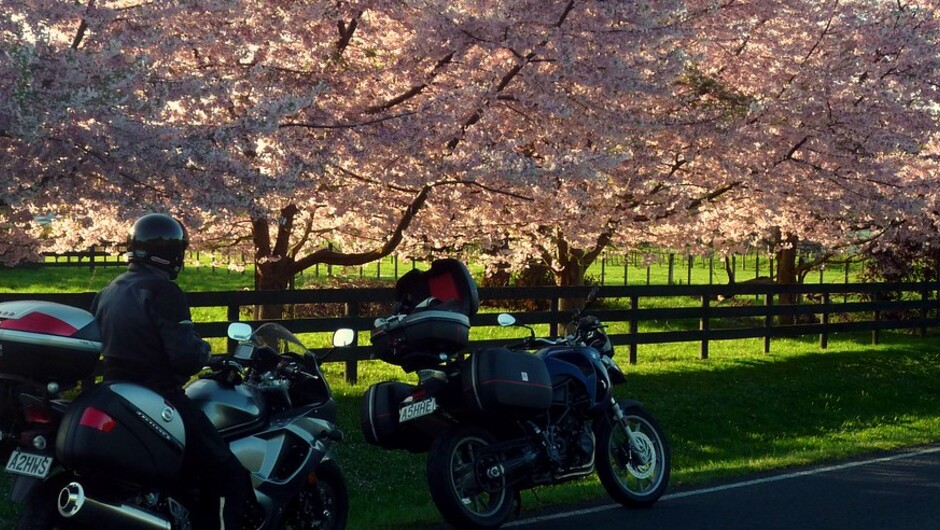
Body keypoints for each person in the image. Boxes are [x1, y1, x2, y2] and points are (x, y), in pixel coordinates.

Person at [91, 213, 256, 529]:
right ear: (168, 253)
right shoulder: (163, 291)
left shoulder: (110, 289)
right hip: (158, 393)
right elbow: (184, 357)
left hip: (113, 392)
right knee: (226, 474)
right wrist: (208, 354)